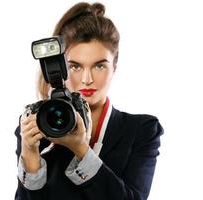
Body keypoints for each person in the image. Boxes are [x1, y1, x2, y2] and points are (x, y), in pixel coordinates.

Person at [14, 2, 163, 200]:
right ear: (60, 68)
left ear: (115, 67)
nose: (87, 79)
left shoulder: (141, 130)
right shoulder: (38, 127)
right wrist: (30, 156)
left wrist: (81, 150)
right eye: (75, 66)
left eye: (99, 66)